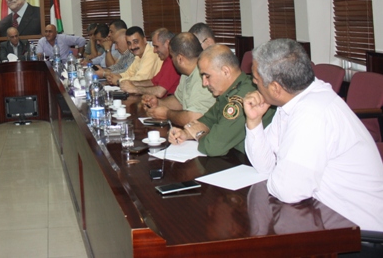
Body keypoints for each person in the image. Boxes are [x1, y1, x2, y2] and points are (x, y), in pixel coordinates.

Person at [244, 39, 383, 232]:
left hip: (359, 234)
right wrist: (254, 122)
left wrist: (280, 171)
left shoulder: (312, 112)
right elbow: (264, 166)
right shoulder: (293, 102)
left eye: (256, 80)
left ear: (275, 88)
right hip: (325, 217)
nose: (253, 83)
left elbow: (289, 190)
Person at [168, 44, 275, 156]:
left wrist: (199, 134)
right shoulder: (230, 91)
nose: (204, 83)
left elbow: (213, 147)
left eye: (207, 76)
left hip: (254, 162)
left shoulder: (242, 98)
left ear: (225, 71)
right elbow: (207, 120)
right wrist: (186, 133)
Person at [142, 33, 216, 126]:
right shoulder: (186, 73)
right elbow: (179, 101)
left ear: (180, 59)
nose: (172, 60)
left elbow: (193, 118)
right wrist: (159, 103)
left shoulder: (203, 76)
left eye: (172, 57)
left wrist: (167, 114)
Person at [120, 28, 180, 97]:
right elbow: (153, 82)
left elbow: (159, 92)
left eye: (156, 46)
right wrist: (132, 83)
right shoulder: (167, 59)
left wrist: (135, 89)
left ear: (167, 44)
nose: (154, 50)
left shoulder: (174, 61)